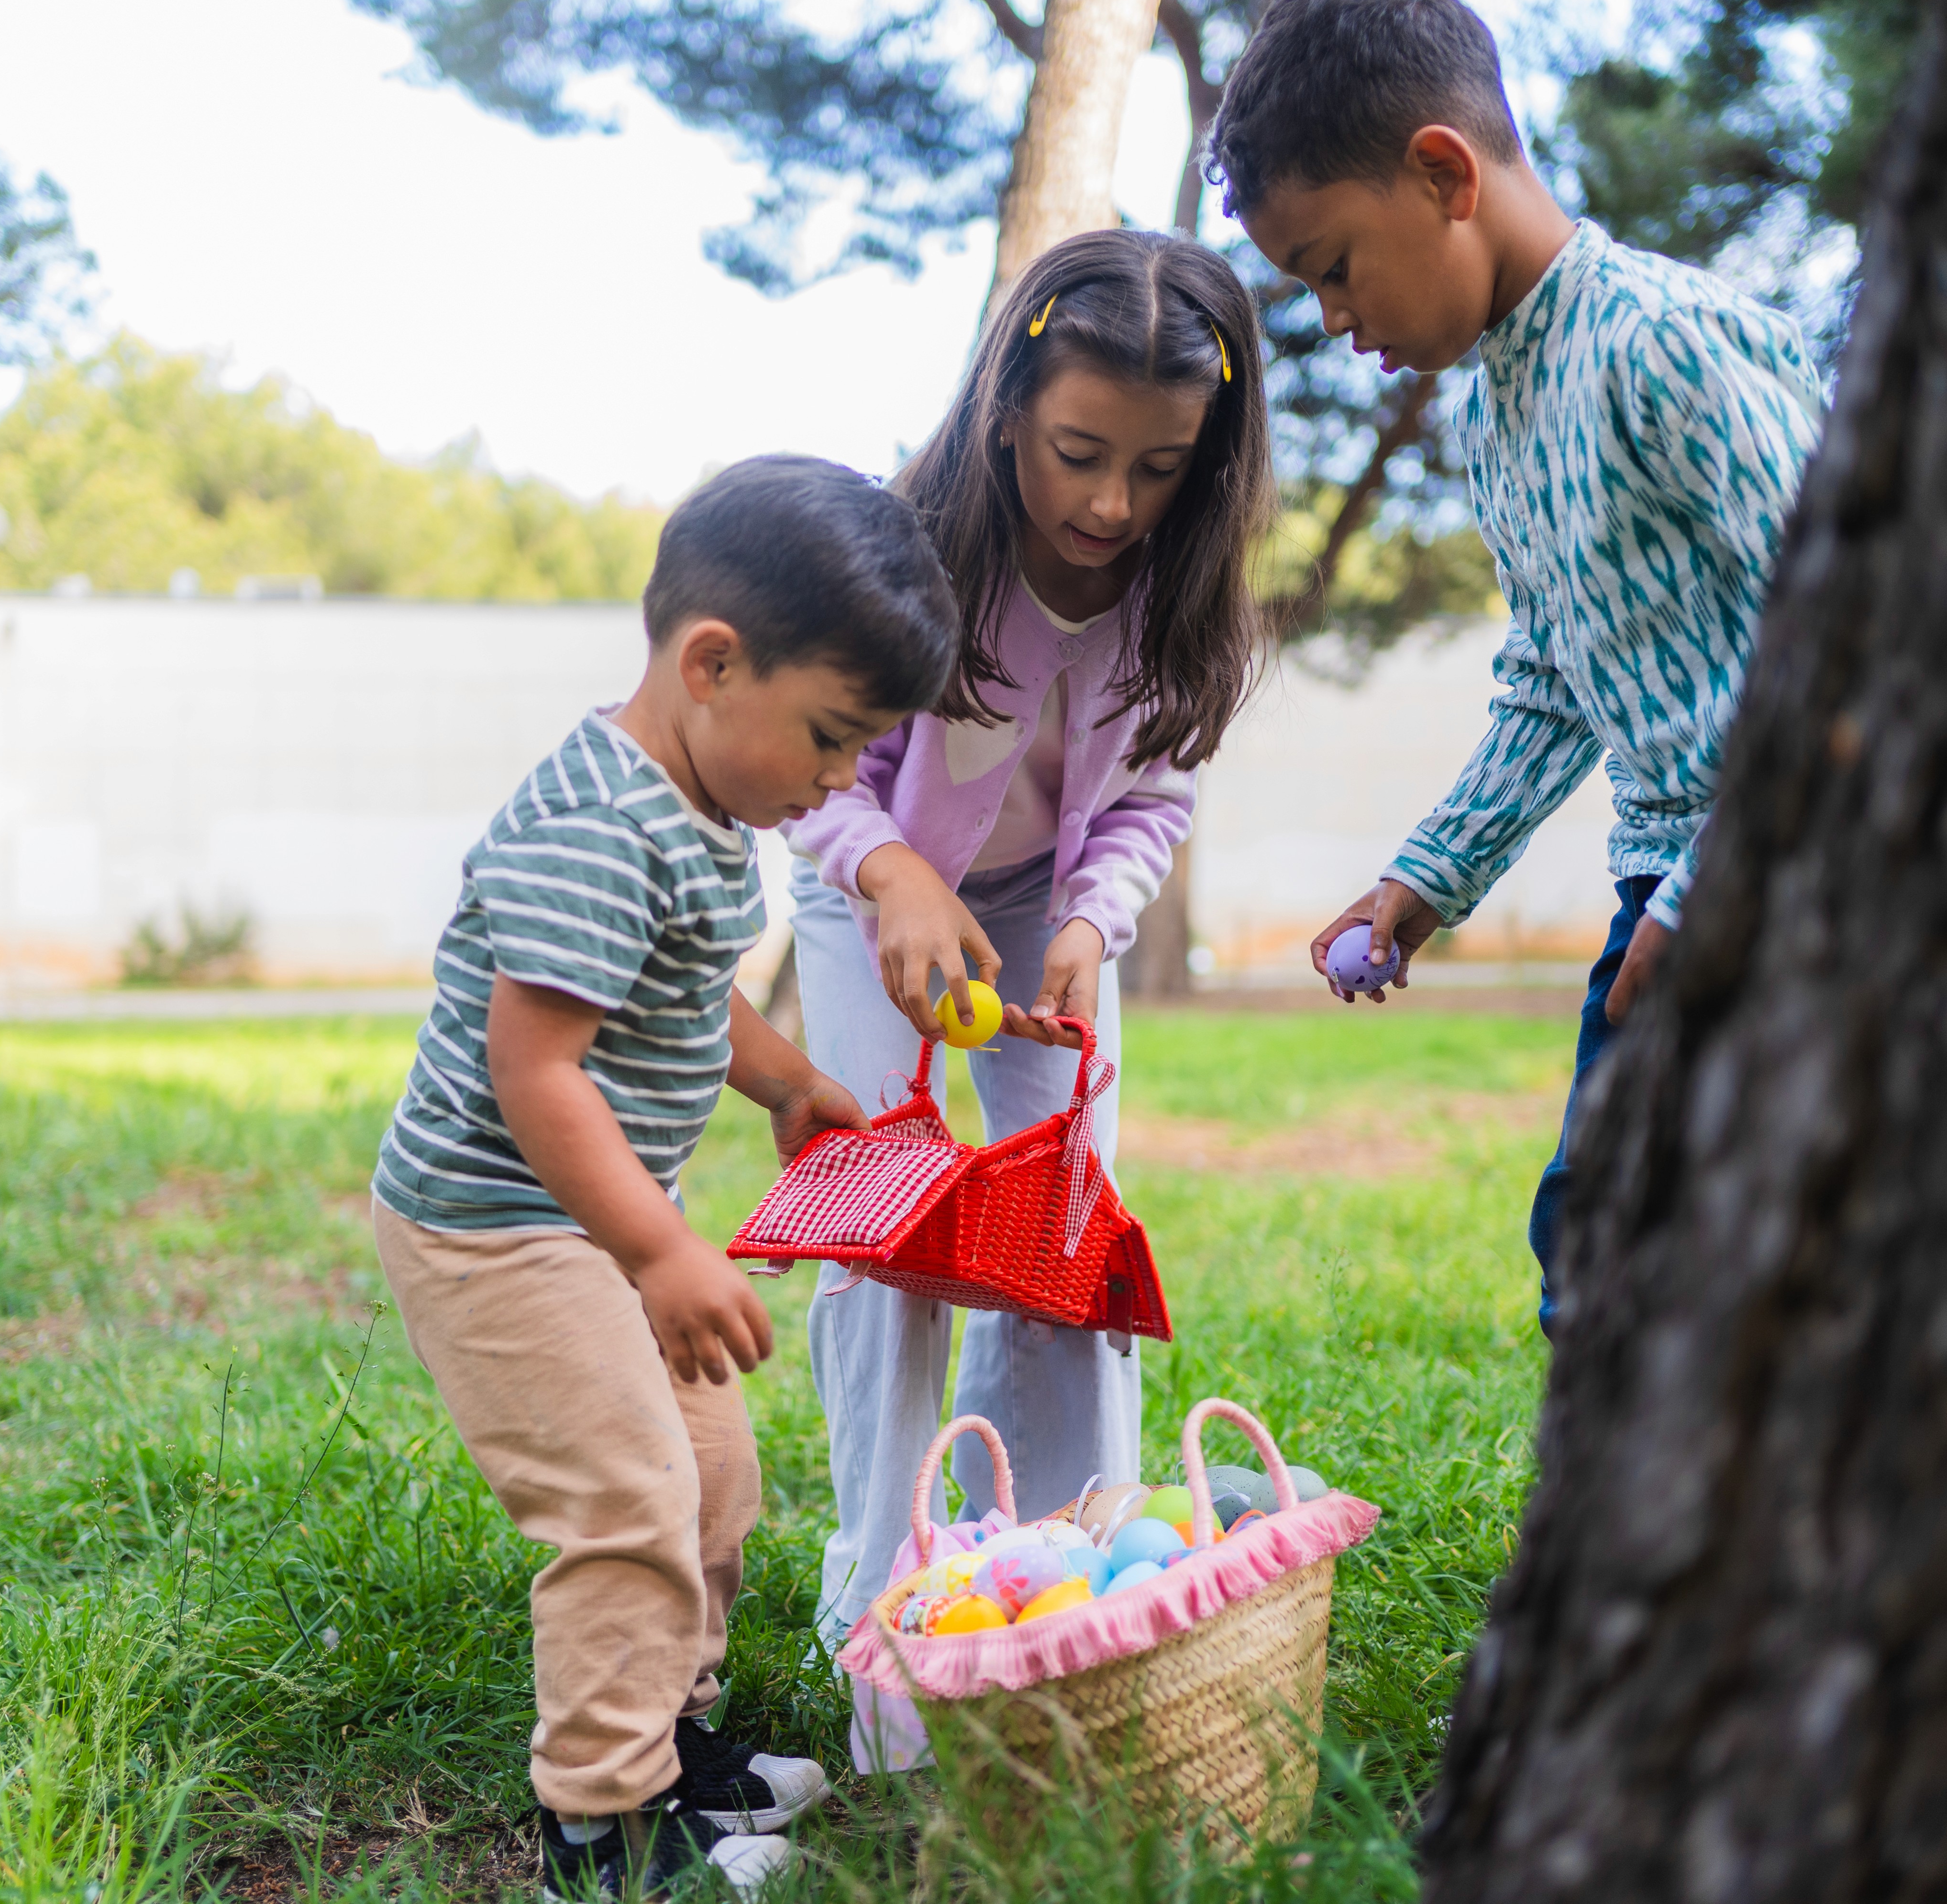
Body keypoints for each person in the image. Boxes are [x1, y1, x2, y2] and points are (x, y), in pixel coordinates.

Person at [370, 455, 961, 1899]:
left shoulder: (696, 809)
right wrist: (659, 1254)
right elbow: (540, 1074)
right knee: (628, 1495)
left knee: (711, 1470)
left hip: (597, 1216)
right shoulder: (595, 824)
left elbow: (687, 997)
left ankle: (674, 1741)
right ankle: (609, 1822)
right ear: (713, 663)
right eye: (832, 741)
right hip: (500, 1227)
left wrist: (788, 1079)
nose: (839, 785)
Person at [1209, 0, 1826, 1328]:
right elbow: (1556, 679)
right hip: (1665, 881)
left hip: (1813, 874)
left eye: (1332, 265)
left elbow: (1851, 627)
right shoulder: (1498, 411)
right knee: (1601, 1244)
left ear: (1443, 175)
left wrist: (1710, 885)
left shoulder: (1660, 344)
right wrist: (1425, 882)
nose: (1328, 317)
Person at [783, 228, 1275, 1644]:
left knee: (1067, 1235)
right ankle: (881, 1599)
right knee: (892, 1239)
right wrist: (888, 874)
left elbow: (1151, 796)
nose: (1114, 501)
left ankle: (1054, 1581)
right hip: (872, 887)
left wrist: (1088, 922)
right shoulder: (907, 551)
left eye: (1160, 467)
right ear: (1006, 411)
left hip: (1038, 925)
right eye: (1078, 451)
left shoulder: (1179, 595)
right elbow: (821, 769)